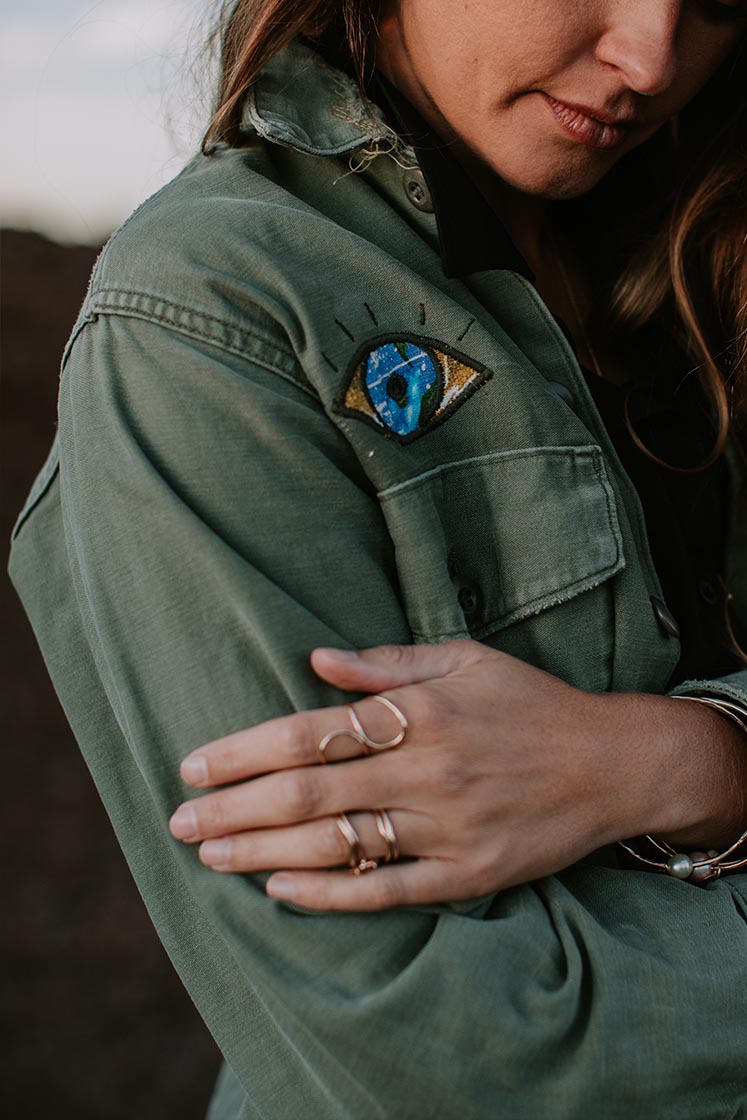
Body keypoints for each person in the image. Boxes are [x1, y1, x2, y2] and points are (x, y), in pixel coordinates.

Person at [9, 0, 747, 1115]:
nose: (647, 58)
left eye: (722, 5)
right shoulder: (209, 313)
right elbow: (437, 1048)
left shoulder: (710, 250)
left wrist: (690, 760)